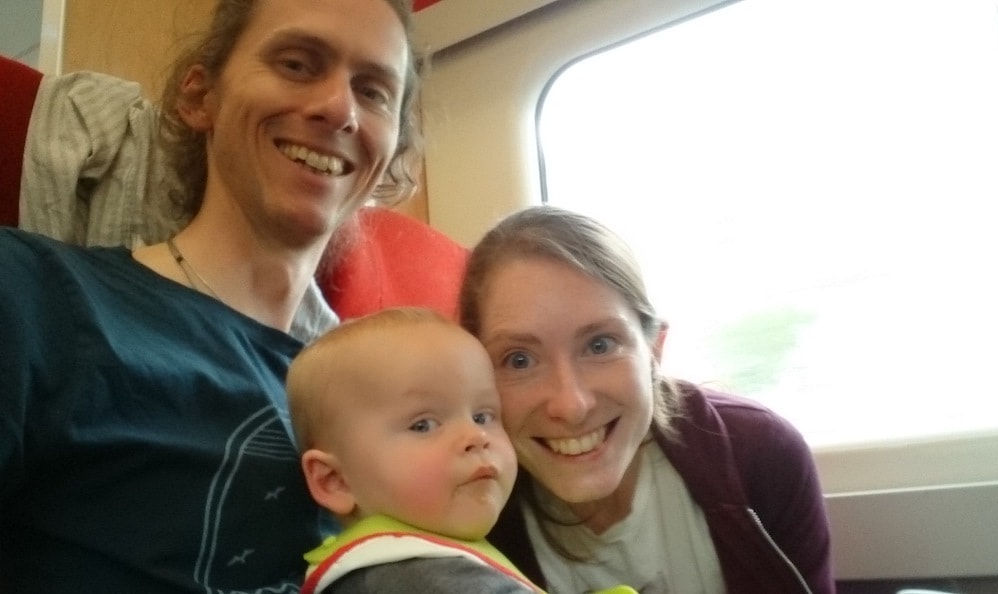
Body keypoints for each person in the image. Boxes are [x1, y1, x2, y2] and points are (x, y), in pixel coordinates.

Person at [0, 0, 422, 591]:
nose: (339, 108)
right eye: (298, 63)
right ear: (201, 96)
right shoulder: (32, 294)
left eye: (374, 91)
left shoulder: (390, 400)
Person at [458, 205, 837, 594]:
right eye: (519, 360)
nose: (571, 406)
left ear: (654, 349)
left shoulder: (761, 456)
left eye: (600, 345)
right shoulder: (469, 513)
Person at [285, 307, 535, 593]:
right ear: (335, 480)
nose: (476, 436)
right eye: (423, 425)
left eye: (483, 416)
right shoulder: (410, 577)